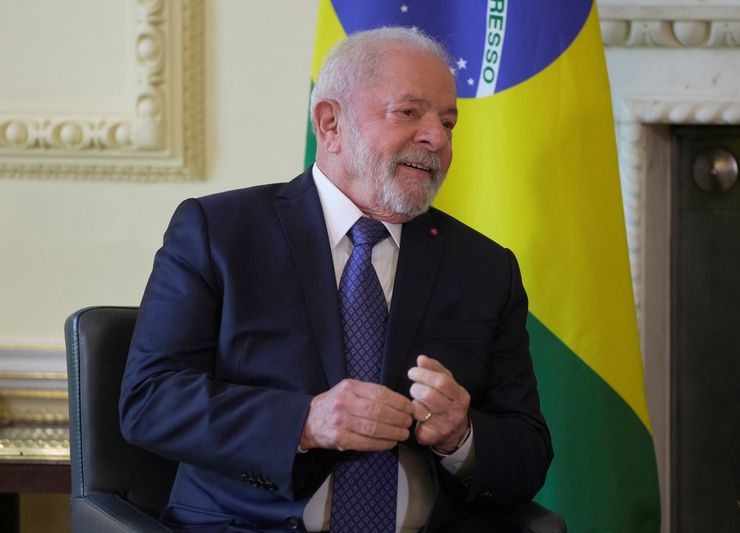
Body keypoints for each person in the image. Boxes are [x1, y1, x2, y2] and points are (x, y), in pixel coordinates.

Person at [119, 26, 552, 533]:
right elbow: (151, 400)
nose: (437, 137)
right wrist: (305, 421)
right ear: (330, 124)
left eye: (448, 122)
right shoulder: (220, 233)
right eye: (409, 112)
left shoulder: (483, 267)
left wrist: (462, 437)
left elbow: (528, 450)